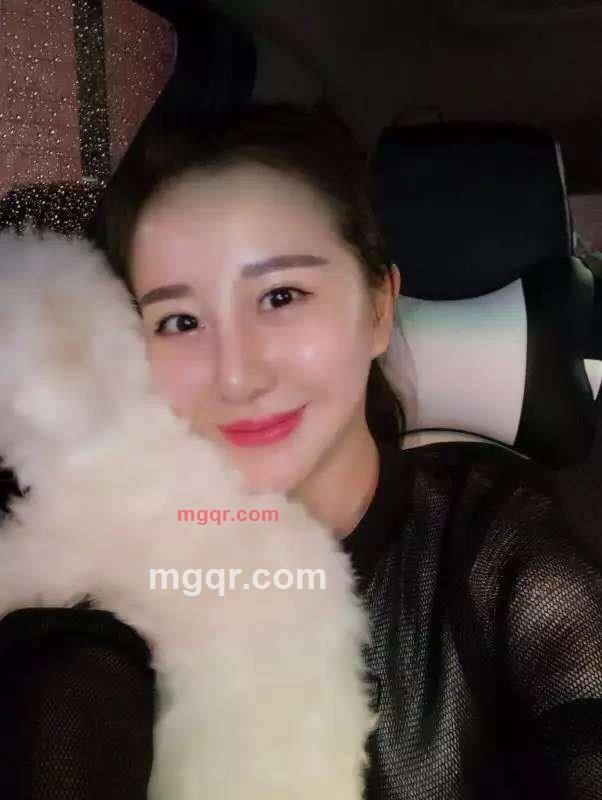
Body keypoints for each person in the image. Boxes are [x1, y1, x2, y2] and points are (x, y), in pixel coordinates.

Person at [1, 102, 601, 799]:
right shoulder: (101, 567)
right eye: (180, 320)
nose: (237, 376)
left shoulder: (491, 543)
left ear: (379, 307)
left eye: (281, 296)